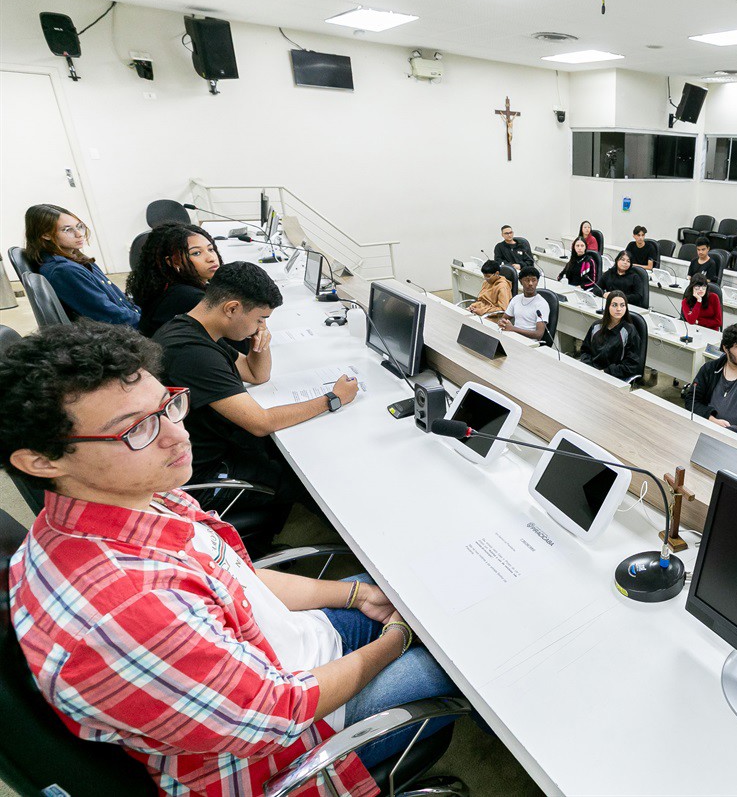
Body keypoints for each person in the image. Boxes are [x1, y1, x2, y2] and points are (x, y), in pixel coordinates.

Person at [0, 322, 456, 796]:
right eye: (136, 429)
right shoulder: (128, 611)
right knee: (459, 659)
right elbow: (279, 711)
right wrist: (397, 639)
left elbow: (237, 580)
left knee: (418, 580)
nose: (177, 435)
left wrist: (358, 594)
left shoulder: (136, 497)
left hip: (281, 650)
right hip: (285, 739)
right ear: (42, 462)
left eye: (168, 406)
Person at [153, 261, 357, 538]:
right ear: (232, 308)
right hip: (207, 470)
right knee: (313, 478)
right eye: (260, 318)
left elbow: (256, 374)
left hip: (214, 446)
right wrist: (333, 398)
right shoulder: (193, 354)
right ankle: (351, 546)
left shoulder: (195, 329)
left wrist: (259, 341)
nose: (261, 325)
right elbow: (261, 423)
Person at [23, 203, 140, 328]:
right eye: (67, 230)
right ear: (45, 235)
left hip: (131, 322)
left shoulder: (77, 259)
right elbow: (108, 314)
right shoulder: (63, 271)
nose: (79, 234)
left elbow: (119, 299)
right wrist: (149, 322)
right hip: (124, 333)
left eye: (79, 227)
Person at [127, 221, 223, 337]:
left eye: (211, 249)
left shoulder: (168, 286)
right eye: (196, 253)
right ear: (173, 262)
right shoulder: (189, 297)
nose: (211, 258)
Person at [579, 290, 642, 381]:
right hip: (592, 372)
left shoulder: (629, 331)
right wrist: (590, 367)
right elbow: (585, 350)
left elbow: (631, 364)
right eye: (614, 305)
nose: (619, 309)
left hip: (613, 376)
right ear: (608, 306)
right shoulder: (596, 326)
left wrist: (606, 372)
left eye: (622, 305)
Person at [499, 267, 550, 341]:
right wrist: (502, 322)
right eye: (527, 280)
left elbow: (539, 334)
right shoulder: (516, 299)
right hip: (513, 338)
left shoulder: (542, 304)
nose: (530, 284)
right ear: (520, 282)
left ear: (537, 281)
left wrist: (513, 329)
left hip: (529, 342)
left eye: (534, 280)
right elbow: (504, 318)